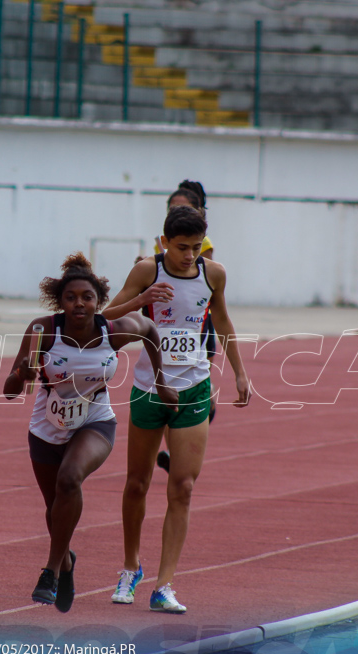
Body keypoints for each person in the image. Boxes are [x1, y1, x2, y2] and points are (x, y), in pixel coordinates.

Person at [2, 253, 176, 613]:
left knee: (70, 480)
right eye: (71, 298)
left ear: (99, 302)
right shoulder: (43, 331)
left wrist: (161, 382)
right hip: (46, 427)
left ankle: (49, 572)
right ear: (60, 302)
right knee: (53, 512)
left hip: (95, 420)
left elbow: (150, 330)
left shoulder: (113, 332)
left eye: (87, 297)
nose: (79, 304)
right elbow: (9, 391)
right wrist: (21, 374)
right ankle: (66, 563)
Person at [103, 205, 250, 613]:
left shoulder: (213, 274)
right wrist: (143, 299)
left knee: (182, 487)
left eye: (195, 248)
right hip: (149, 388)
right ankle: (131, 567)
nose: (189, 256)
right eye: (181, 248)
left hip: (194, 388)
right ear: (164, 242)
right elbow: (105, 318)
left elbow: (222, 321)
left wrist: (239, 372)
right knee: (137, 482)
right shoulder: (147, 271)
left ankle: (164, 584)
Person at [155, 181, 217, 474]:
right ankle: (171, 446)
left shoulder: (203, 247)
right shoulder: (162, 241)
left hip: (196, 326)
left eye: (184, 208)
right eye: (172, 208)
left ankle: (206, 404)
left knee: (194, 381)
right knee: (168, 388)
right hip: (164, 325)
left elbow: (203, 279)